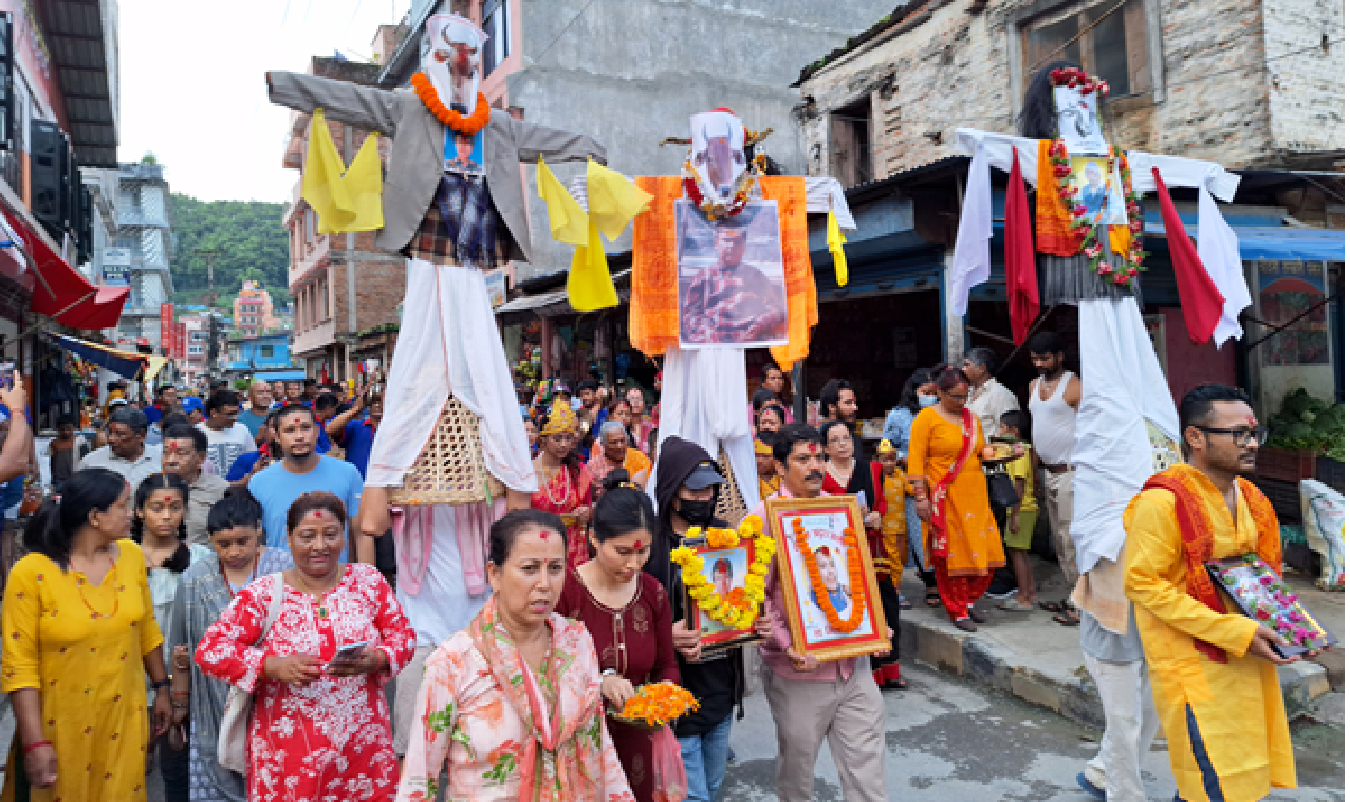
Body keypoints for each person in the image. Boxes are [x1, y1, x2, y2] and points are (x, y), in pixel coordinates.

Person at [1122, 385, 1297, 802]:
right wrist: (1232, 631)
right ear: (1195, 437)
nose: (1252, 443)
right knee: (1213, 779)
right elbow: (1143, 584)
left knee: (1240, 775)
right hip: (1196, 662)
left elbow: (1262, 576)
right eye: (1238, 434)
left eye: (1255, 433)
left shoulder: (1251, 498)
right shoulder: (1162, 502)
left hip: (1249, 657)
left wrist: (1294, 626)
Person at [395, 509, 636, 802]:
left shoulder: (576, 641)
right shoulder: (454, 662)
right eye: (529, 568)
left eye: (555, 568)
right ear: (494, 574)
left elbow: (600, 746)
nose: (545, 584)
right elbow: (420, 779)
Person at [195, 491, 414, 801]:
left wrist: (377, 659)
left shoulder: (368, 582)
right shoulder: (265, 595)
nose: (319, 546)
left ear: (343, 535)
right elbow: (210, 650)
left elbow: (403, 636)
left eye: (331, 534)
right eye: (307, 536)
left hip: (363, 753)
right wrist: (271, 666)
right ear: (289, 537)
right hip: (288, 758)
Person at [1, 468, 173, 801]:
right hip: (59, 726)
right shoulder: (31, 573)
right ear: (95, 516)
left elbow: (146, 627)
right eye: (123, 506)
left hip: (125, 716)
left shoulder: (131, 556)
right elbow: (17, 665)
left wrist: (162, 688)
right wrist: (34, 743)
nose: (130, 514)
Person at [754, 423, 888, 802]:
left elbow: (856, 577)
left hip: (854, 668)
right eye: (802, 459)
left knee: (868, 779)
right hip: (798, 672)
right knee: (798, 781)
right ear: (779, 467)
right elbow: (753, 600)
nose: (815, 466)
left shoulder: (839, 508)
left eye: (818, 457)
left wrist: (874, 628)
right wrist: (785, 642)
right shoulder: (761, 518)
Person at [556, 478, 680, 802]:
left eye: (643, 552)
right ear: (595, 538)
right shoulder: (566, 593)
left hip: (637, 738)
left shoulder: (653, 592)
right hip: (578, 739)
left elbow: (666, 663)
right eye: (622, 552)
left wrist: (665, 699)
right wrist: (599, 682)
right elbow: (547, 669)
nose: (633, 564)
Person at [646, 437, 754, 802]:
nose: (703, 498)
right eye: (694, 490)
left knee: (712, 785)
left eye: (710, 489)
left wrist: (755, 622)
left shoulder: (725, 537)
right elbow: (633, 614)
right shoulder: (649, 546)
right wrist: (666, 636)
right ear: (671, 491)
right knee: (694, 796)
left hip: (721, 687)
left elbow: (741, 596)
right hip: (677, 691)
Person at [167, 492, 293, 802]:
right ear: (210, 540)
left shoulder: (285, 569)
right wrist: (180, 705)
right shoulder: (195, 579)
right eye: (223, 544)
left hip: (277, 698)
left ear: (259, 531)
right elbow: (181, 649)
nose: (234, 551)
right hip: (212, 704)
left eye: (243, 541)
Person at [908, 367, 1010, 632]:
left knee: (986, 553)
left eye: (965, 397)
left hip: (975, 496)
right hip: (944, 498)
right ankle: (957, 609)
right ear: (939, 393)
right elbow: (916, 461)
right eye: (955, 397)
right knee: (951, 556)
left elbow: (980, 451)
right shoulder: (926, 418)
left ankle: (970, 601)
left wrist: (1005, 453)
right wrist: (921, 498)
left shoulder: (972, 418)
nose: (961, 402)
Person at [132, 472, 211, 802]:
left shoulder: (201, 560)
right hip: (133, 676)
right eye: (157, 508)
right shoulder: (123, 559)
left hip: (186, 679)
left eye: (175, 507)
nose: (167, 516)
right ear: (139, 511)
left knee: (179, 766)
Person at [247, 404, 364, 561]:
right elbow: (256, 542)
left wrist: (366, 581)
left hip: (337, 579)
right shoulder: (258, 482)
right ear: (276, 437)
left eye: (305, 428)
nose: (299, 436)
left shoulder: (348, 473)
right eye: (290, 430)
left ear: (316, 432)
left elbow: (360, 535)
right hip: (280, 581)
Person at [1027, 331, 1082, 625]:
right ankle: (1073, 595)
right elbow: (1038, 433)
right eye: (1035, 358)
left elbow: (1090, 431)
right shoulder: (1034, 386)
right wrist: (1035, 472)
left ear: (1060, 356)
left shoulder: (1075, 386)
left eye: (1045, 358)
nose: (1039, 363)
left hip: (1072, 473)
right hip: (1048, 472)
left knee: (1072, 537)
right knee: (1059, 541)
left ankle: (1083, 602)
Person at [679, 209, 788, 345]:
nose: (732, 246)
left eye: (737, 242)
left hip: (751, 341)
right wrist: (709, 335)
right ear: (716, 244)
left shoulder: (756, 276)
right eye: (727, 240)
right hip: (712, 343)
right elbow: (690, 315)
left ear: (744, 247)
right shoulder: (703, 276)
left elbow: (776, 310)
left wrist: (758, 327)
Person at [531, 405, 594, 568]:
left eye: (568, 439)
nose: (563, 445)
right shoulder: (529, 473)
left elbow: (589, 508)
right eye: (557, 439)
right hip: (539, 546)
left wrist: (587, 513)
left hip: (574, 549)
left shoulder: (578, 471)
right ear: (544, 438)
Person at [870, 438, 908, 687]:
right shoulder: (873, 474)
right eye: (884, 458)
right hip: (874, 537)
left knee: (898, 564)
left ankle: (891, 669)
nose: (888, 462)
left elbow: (914, 490)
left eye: (892, 457)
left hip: (894, 530)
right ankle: (875, 673)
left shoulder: (898, 476)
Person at [996, 410, 1040, 613]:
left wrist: (1014, 515)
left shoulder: (1019, 452)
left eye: (1002, 428)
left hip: (1021, 509)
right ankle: (1029, 591)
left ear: (1014, 431)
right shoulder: (1024, 450)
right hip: (1024, 508)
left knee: (1016, 553)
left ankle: (1023, 596)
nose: (999, 432)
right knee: (1021, 552)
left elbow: (1019, 485)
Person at [161, 424, 230, 545]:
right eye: (166, 453)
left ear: (201, 458)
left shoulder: (221, 490)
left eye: (180, 453)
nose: (170, 460)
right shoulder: (147, 488)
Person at [77, 405, 164, 489]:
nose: (111, 439)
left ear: (141, 436)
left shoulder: (160, 460)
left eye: (119, 434)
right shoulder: (91, 462)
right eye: (109, 433)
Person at [326, 387, 382, 478]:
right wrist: (355, 409)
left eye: (380, 402)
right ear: (367, 406)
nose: (377, 405)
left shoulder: (396, 429)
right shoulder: (356, 425)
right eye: (373, 402)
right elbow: (330, 429)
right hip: (357, 487)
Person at [963, 347, 1019, 437]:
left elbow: (1010, 435)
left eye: (967, 365)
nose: (963, 369)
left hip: (991, 450)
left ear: (981, 368)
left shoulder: (1001, 395)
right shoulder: (968, 392)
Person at [197, 390, 255, 478]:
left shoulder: (242, 430)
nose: (235, 418)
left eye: (236, 413)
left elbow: (252, 459)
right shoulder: (195, 433)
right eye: (230, 414)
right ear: (214, 413)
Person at [589, 420, 653, 490]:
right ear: (603, 444)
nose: (620, 446)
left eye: (622, 441)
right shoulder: (593, 468)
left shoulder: (640, 459)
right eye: (614, 442)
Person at [225, 410, 280, 483]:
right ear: (263, 430)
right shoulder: (246, 459)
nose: (278, 431)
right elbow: (229, 489)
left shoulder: (298, 460)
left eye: (288, 429)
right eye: (274, 426)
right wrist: (252, 475)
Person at [44, 414, 89, 491]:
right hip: (58, 481)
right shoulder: (54, 443)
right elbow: (50, 462)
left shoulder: (81, 441)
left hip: (76, 480)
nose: (66, 432)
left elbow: (85, 461)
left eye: (69, 429)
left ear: (74, 428)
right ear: (58, 429)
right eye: (62, 429)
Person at [625, 386, 655, 457]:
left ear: (644, 404)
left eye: (639, 399)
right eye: (631, 398)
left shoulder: (652, 428)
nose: (636, 402)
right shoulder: (620, 427)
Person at [755, 432, 781, 500]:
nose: (759, 460)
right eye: (755, 455)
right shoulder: (750, 479)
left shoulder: (784, 478)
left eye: (766, 456)